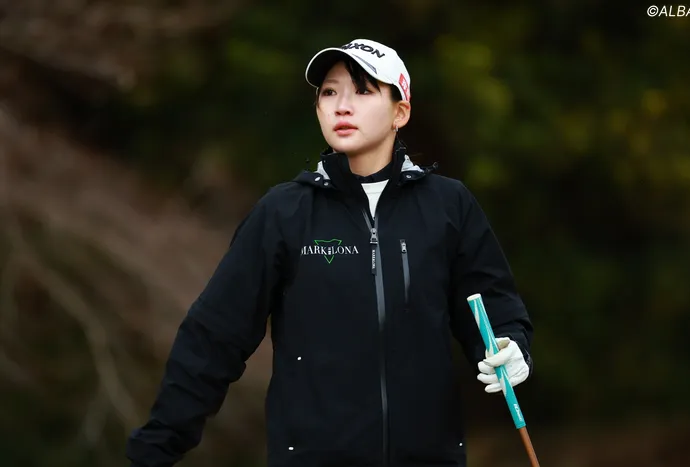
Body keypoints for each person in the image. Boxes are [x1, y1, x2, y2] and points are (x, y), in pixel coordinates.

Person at [125, 38, 534, 467]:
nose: (342, 106)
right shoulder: (284, 212)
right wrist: (154, 451)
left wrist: (513, 348)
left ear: (400, 112)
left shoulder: (448, 205)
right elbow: (213, 339)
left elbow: (495, 307)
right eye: (329, 92)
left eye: (363, 91)